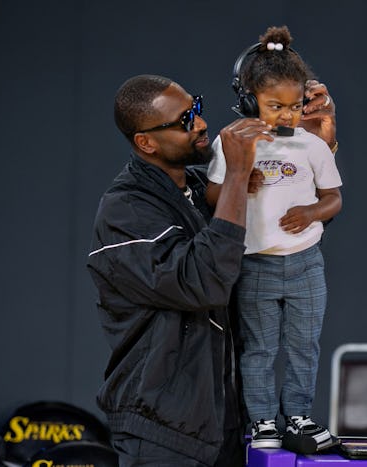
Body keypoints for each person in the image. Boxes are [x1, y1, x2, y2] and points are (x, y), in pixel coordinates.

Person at [87, 72, 337, 466]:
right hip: (164, 435)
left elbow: (284, 232)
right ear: (146, 142)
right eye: (184, 120)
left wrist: (312, 146)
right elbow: (204, 282)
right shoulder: (126, 211)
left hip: (224, 426)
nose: (201, 123)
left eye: (196, 108)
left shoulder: (202, 188)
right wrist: (237, 175)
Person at [205, 26, 342, 452]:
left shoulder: (313, 145)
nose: (286, 115)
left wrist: (312, 212)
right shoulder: (233, 140)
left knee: (305, 346)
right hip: (256, 263)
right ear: (249, 99)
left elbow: (333, 197)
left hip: (305, 263)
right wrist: (239, 178)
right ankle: (263, 420)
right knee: (260, 349)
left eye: (295, 106)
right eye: (273, 106)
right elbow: (211, 194)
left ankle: (297, 414)